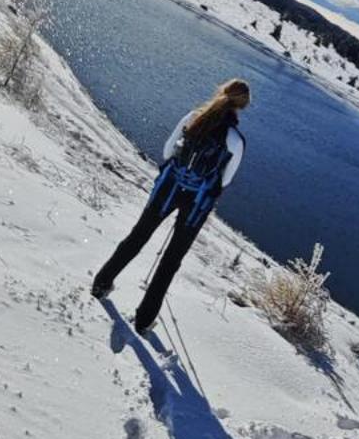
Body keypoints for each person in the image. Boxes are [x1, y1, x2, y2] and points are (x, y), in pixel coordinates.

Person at [91, 78, 251, 331]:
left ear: (222, 91)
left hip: (168, 189)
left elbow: (167, 152)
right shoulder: (236, 140)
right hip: (196, 204)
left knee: (138, 236)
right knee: (171, 260)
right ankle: (144, 320)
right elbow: (225, 180)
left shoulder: (194, 116)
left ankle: (101, 284)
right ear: (242, 107)